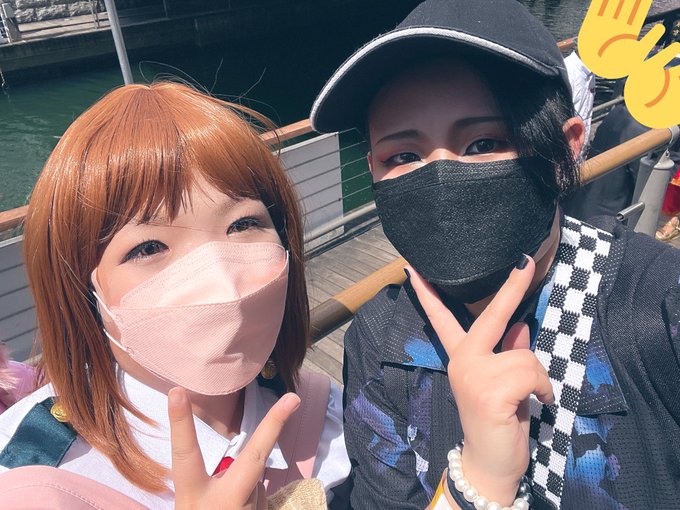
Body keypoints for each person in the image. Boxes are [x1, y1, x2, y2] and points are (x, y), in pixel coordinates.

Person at [311, 1, 680, 509]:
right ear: (373, 168)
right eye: (404, 156)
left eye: (483, 143)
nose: (441, 178)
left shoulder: (658, 306)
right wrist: (481, 484)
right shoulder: (376, 341)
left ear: (566, 149)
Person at [0, 82, 350, 508]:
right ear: (83, 291)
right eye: (148, 247)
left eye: (243, 224)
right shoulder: (31, 470)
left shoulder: (327, 411)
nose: (221, 282)